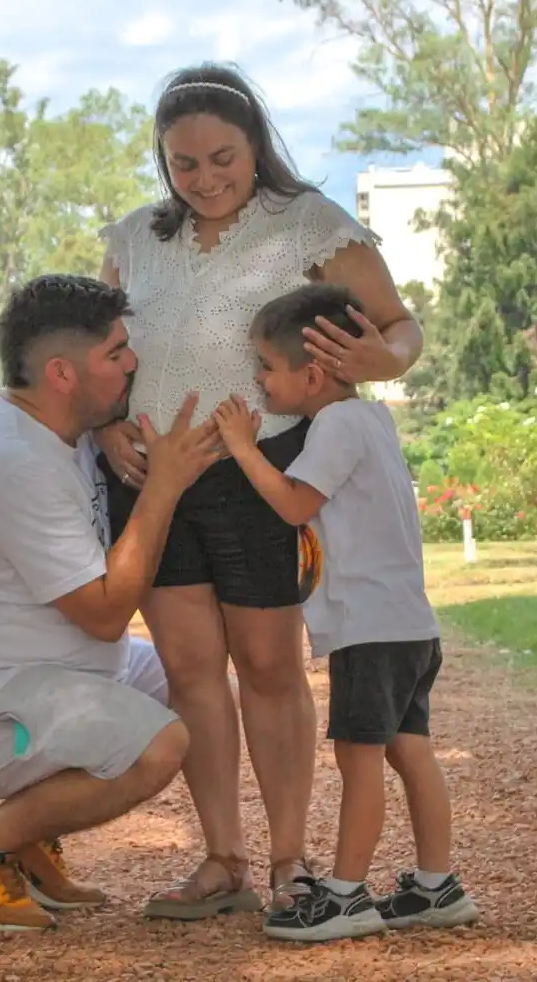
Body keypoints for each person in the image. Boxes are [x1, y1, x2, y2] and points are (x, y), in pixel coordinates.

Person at [95, 63, 425, 918]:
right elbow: (99, 352)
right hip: (153, 486)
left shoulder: (309, 223)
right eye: (184, 163)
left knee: (272, 667)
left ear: (255, 147)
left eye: (222, 157)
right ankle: (222, 861)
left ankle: (291, 863)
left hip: (264, 475)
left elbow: (401, 325)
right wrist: (103, 425)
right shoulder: (133, 237)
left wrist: (380, 360)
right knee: (192, 670)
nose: (204, 178)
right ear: (163, 162)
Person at [0, 274, 222, 934]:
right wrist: (165, 485)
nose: (132, 363)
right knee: (159, 745)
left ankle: (34, 843)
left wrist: (114, 425)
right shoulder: (13, 462)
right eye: (116, 353)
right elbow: (102, 612)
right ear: (63, 373)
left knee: (195, 678)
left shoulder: (56, 419)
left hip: (36, 674)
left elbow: (98, 431)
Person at [210, 282, 478, 942]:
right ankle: (435, 884)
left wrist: (243, 447)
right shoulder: (374, 420)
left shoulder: (334, 425)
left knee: (360, 759)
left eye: (266, 368)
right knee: (410, 750)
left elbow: (296, 504)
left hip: (370, 628)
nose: (259, 381)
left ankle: (344, 894)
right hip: (410, 623)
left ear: (311, 373)